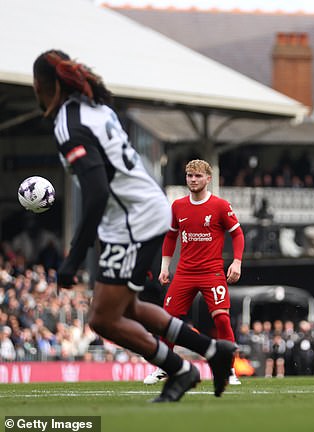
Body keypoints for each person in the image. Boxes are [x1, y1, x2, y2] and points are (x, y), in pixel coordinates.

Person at [32, 50, 235, 401]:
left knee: (103, 319)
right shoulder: (97, 109)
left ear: (46, 86)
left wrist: (73, 258)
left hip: (133, 219)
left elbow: (95, 193)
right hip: (135, 213)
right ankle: (214, 352)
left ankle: (181, 369)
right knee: (128, 309)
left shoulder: (68, 122)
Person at [143, 159, 244, 386]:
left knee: (222, 319)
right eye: (190, 176)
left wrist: (236, 262)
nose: (193, 180)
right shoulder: (178, 206)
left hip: (212, 273)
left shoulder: (220, 206)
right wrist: (164, 266)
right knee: (167, 322)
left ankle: (229, 370)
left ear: (208, 179)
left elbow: (237, 234)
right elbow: (170, 236)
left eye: (198, 176)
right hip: (185, 273)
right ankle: (164, 367)